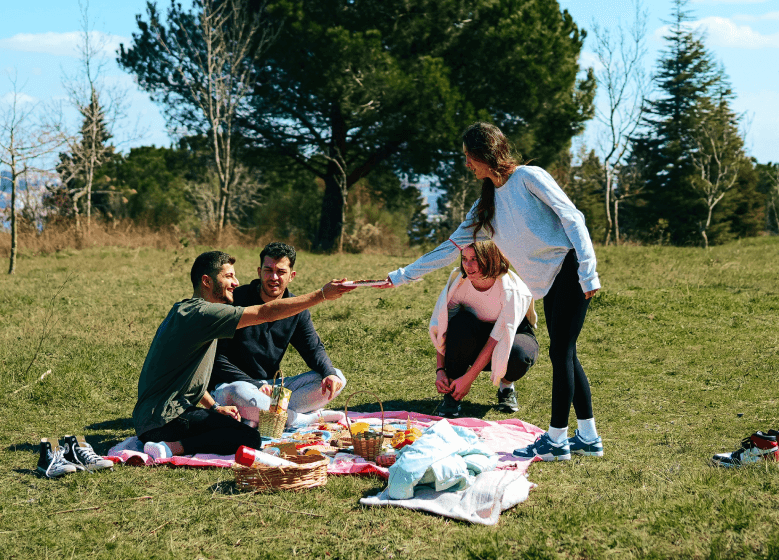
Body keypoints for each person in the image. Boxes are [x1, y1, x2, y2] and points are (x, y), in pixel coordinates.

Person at [384, 122, 603, 461]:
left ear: (485, 154)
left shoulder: (528, 177)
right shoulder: (485, 206)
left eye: (468, 156)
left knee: (561, 354)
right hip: (548, 283)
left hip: (569, 269)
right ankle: (588, 437)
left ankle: (557, 440)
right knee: (566, 354)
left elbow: (572, 217)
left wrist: (588, 272)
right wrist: (400, 277)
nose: (466, 164)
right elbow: (449, 248)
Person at [133, 250, 355, 459]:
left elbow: (188, 379)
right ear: (207, 281)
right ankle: (170, 447)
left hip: (157, 418)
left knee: (236, 429)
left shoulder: (188, 312)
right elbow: (265, 312)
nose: (236, 282)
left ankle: (278, 417)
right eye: (228, 276)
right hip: (164, 422)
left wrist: (215, 408)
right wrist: (321, 295)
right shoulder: (203, 314)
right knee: (248, 437)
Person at [209, 242, 347, 428]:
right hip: (233, 385)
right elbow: (217, 359)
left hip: (270, 389)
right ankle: (303, 419)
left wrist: (329, 373)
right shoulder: (236, 300)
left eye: (281, 272)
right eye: (268, 270)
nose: (274, 277)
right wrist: (255, 385)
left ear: (291, 276)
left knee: (337, 377)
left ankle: (259, 416)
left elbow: (313, 349)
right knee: (239, 392)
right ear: (259, 272)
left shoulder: (296, 308)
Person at [430, 240, 538, 418]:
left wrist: (469, 379)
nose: (468, 265)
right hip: (475, 334)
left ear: (490, 258)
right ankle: (453, 390)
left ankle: (506, 386)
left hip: (509, 336)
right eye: (464, 259)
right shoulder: (459, 284)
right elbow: (442, 327)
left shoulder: (510, 290)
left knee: (520, 353)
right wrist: (440, 370)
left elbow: (495, 338)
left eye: (475, 259)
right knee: (460, 324)